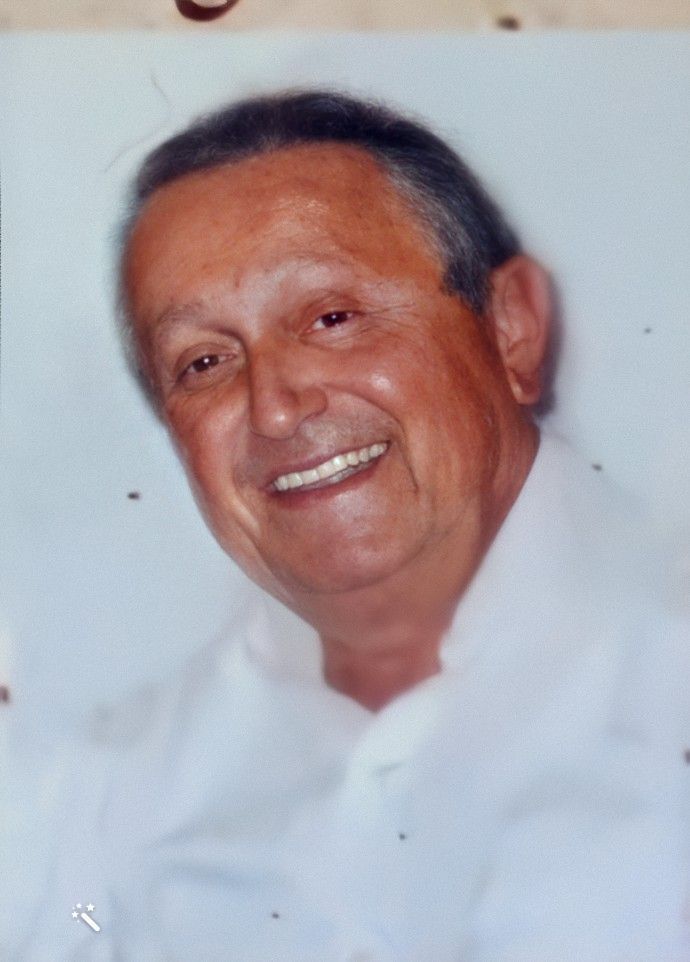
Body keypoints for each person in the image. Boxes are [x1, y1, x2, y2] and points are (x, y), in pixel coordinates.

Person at [18, 90, 689, 961]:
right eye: (205, 362)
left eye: (332, 318)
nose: (275, 408)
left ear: (512, 328)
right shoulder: (103, 802)